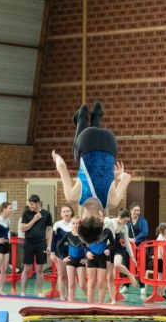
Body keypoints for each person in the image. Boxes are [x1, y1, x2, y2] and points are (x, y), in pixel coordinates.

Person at [51, 101, 132, 246]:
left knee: (86, 155)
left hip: (110, 142)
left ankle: (97, 114)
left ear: (102, 222)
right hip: (87, 140)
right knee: (77, 155)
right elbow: (62, 167)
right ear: (80, 221)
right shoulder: (74, 197)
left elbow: (127, 177)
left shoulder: (112, 201)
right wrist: (56, 158)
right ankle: (82, 115)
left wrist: (119, 174)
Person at [19, 195, 53, 297]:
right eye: (29, 204)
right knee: (26, 268)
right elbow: (23, 228)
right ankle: (22, 292)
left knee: (39, 269)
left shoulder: (47, 214)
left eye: (32, 204)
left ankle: (38, 292)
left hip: (41, 243)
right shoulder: (26, 213)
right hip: (29, 242)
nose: (30, 206)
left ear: (38, 203)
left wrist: (49, 245)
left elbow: (49, 230)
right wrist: (34, 219)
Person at [104, 208, 139, 302]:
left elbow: (127, 242)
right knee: (110, 276)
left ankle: (130, 275)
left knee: (117, 265)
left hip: (118, 248)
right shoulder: (110, 223)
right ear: (119, 217)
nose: (126, 223)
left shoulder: (125, 227)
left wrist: (132, 257)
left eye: (128, 221)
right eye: (125, 220)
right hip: (108, 248)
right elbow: (108, 238)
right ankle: (113, 299)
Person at [56, 216, 87, 302]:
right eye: (74, 223)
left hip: (81, 261)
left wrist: (86, 259)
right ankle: (71, 302)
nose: (76, 225)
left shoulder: (83, 236)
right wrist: (63, 257)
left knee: (82, 284)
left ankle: (90, 298)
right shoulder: (68, 234)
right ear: (71, 224)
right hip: (70, 261)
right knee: (71, 284)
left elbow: (90, 248)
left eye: (78, 223)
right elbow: (58, 246)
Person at [50, 205, 74, 301]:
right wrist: (52, 252)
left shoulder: (74, 223)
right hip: (60, 252)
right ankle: (62, 296)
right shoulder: (57, 224)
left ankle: (70, 295)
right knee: (61, 274)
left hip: (72, 252)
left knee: (70, 275)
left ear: (71, 212)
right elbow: (54, 240)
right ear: (61, 214)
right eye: (64, 211)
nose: (66, 213)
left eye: (68, 211)